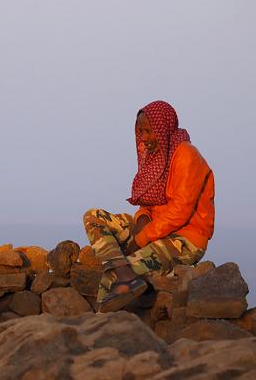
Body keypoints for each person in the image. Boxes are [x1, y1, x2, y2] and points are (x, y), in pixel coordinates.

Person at [83, 100, 215, 313]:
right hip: (156, 228)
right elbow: (148, 201)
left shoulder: (186, 156)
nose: (143, 137)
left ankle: (99, 328)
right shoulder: (153, 155)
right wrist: (142, 218)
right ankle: (125, 272)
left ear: (163, 129)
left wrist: (139, 240)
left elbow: (180, 212)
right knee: (93, 216)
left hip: (185, 239)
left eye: (148, 131)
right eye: (140, 131)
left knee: (111, 279)